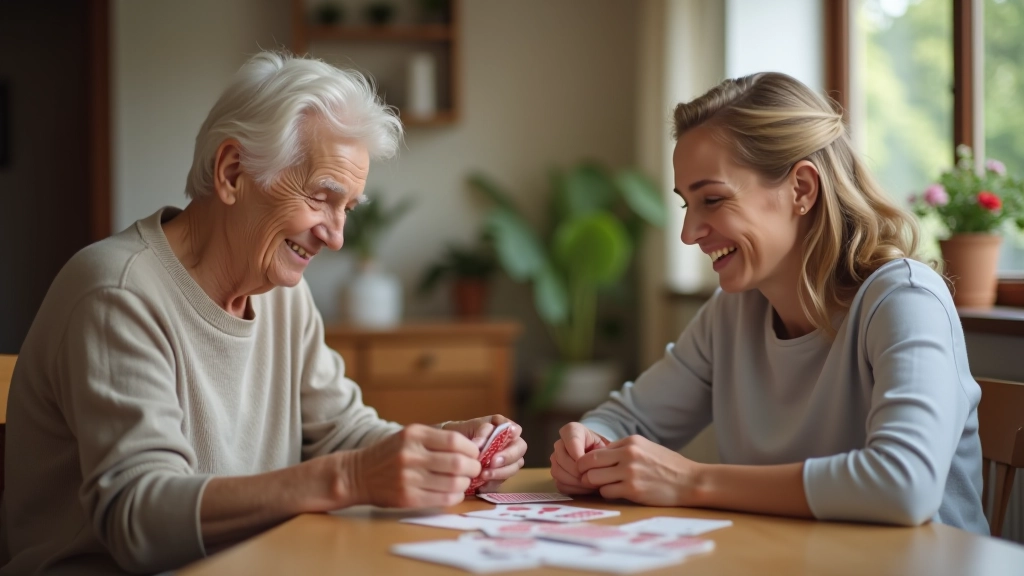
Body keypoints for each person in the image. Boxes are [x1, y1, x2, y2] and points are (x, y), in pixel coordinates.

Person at [0, 52, 526, 575]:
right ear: (232, 173)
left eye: (348, 209)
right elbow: (139, 522)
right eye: (322, 198)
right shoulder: (118, 293)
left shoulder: (282, 293)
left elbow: (343, 434)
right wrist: (347, 478)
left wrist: (447, 444)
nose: (337, 236)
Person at [549, 72, 988, 535]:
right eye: (686, 205)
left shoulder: (905, 299)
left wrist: (692, 480)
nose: (689, 233)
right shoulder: (732, 313)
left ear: (801, 189)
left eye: (713, 199)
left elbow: (904, 485)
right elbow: (627, 419)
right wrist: (590, 446)